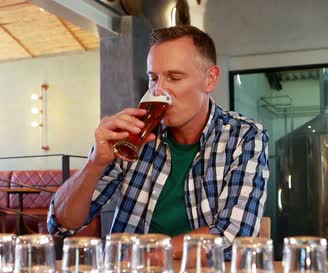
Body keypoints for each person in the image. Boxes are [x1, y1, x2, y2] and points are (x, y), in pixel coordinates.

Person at [47, 25, 269, 259]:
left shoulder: (244, 136)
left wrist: (146, 254)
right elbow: (62, 224)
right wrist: (95, 162)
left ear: (210, 79)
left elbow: (234, 237)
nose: (158, 90)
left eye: (174, 77)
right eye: (153, 78)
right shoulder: (131, 135)